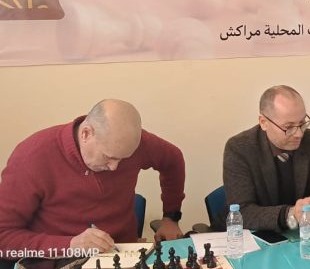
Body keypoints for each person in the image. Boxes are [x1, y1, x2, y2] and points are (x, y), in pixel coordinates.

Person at [0, 99, 185, 259]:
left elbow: (173, 159)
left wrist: (171, 217)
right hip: (58, 260)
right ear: (86, 134)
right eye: (108, 157)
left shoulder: (130, 142)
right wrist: (69, 245)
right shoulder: (32, 158)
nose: (114, 167)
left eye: (123, 159)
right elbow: (3, 239)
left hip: (122, 254)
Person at [223, 85, 310, 233]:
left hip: (305, 235)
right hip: (258, 236)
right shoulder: (240, 148)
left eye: (302, 123)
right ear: (264, 122)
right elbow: (242, 212)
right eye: (289, 127)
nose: (299, 134)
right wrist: (289, 214)